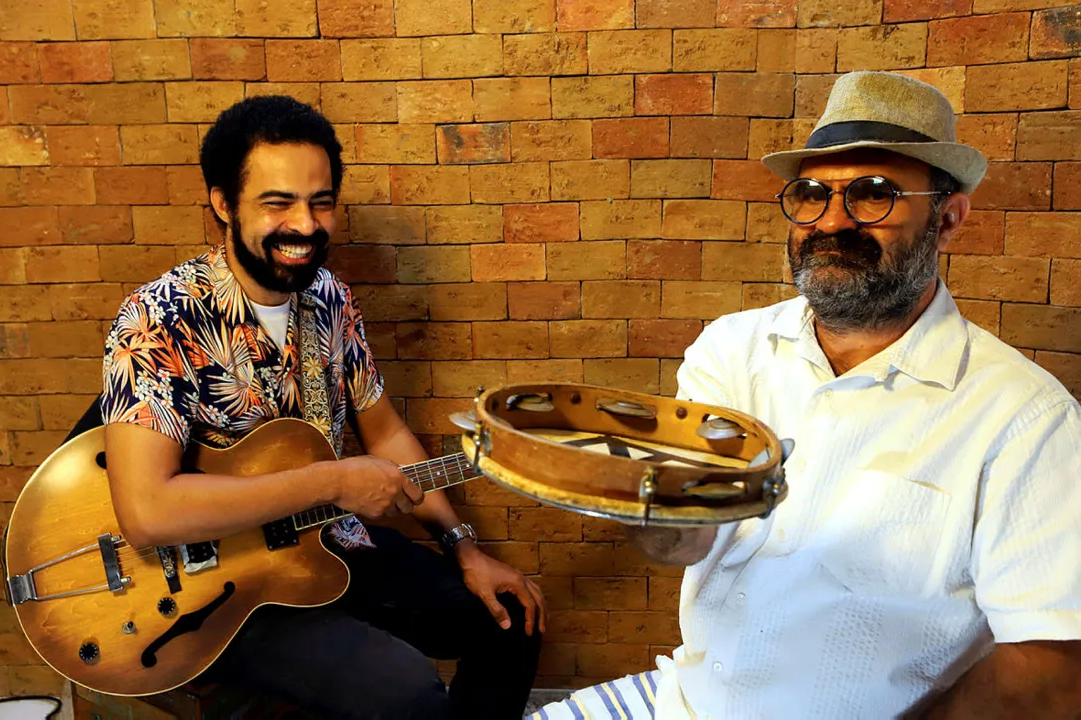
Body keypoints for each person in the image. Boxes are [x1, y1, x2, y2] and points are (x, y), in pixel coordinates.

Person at [528, 71, 1081, 719]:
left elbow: (1051, 667)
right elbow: (685, 544)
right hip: (690, 700)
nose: (831, 221)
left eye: (872, 195)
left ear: (947, 217)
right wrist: (634, 498)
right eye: (811, 194)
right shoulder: (730, 349)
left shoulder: (1023, 417)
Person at [100, 95, 545, 719]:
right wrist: (335, 479)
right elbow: (147, 512)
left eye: (321, 202)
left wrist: (463, 546)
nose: (305, 226)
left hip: (333, 547)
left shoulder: (331, 299)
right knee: (408, 695)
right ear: (223, 204)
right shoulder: (157, 318)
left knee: (510, 620)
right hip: (228, 586)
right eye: (277, 203)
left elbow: (384, 430)